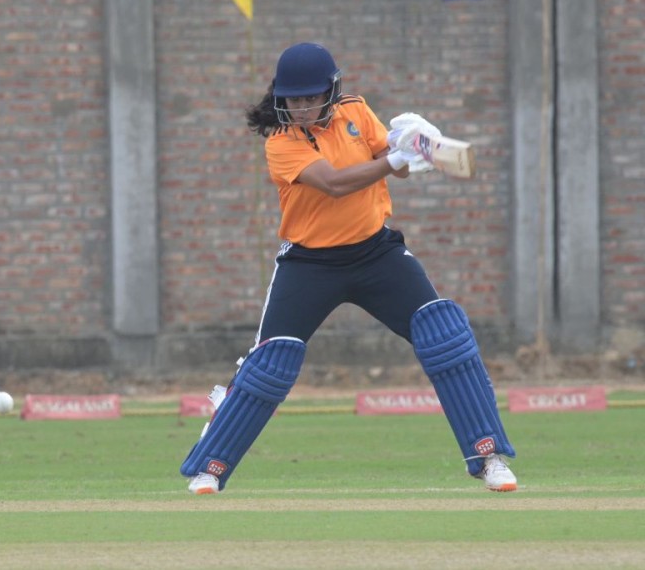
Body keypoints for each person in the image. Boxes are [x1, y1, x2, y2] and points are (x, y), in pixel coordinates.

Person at [180, 42, 517, 494]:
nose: (300, 107)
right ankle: (211, 464)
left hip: (376, 254)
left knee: (445, 335)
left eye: (309, 97)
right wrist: (396, 158)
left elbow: (392, 167)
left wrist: (417, 145)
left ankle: (489, 456)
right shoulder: (281, 143)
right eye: (292, 99)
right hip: (308, 263)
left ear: (331, 91)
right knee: (270, 363)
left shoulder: (356, 112)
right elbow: (335, 185)